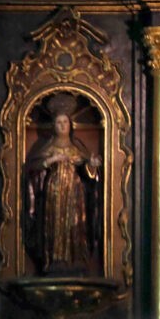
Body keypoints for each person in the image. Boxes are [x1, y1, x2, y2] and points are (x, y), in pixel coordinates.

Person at [24, 95, 102, 275]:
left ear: (70, 125)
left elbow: (89, 175)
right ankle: (54, 259)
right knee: (54, 223)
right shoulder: (47, 147)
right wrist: (51, 160)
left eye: (65, 122)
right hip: (54, 191)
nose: (62, 125)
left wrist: (91, 165)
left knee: (75, 224)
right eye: (58, 122)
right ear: (53, 126)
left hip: (75, 193)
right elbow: (33, 170)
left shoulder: (78, 147)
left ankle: (75, 259)